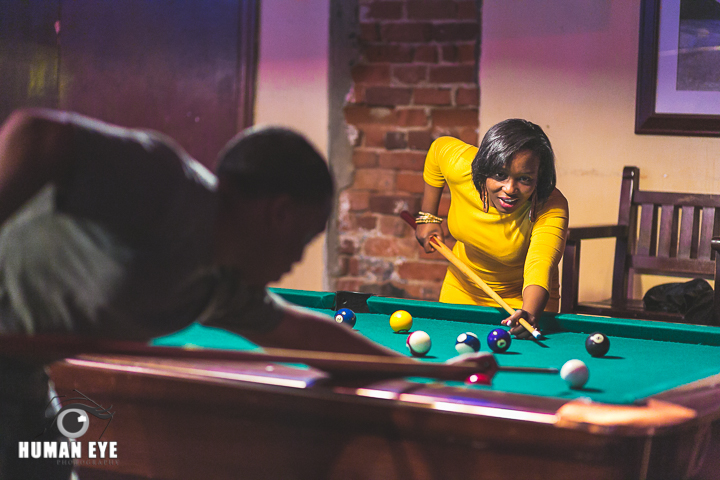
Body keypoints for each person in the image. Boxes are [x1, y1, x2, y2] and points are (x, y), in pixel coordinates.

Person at [0, 108, 403, 479]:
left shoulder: (218, 285)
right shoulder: (167, 186)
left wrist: (419, 369)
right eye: (305, 237)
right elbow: (37, 136)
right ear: (279, 213)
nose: (298, 257)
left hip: (20, 380)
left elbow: (303, 335)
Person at [415, 119, 569, 339]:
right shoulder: (463, 167)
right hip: (462, 287)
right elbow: (438, 149)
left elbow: (540, 263)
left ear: (540, 177)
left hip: (523, 302)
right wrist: (427, 217)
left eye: (524, 179)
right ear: (484, 168)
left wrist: (530, 311)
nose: (509, 189)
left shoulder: (551, 206)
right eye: (499, 175)